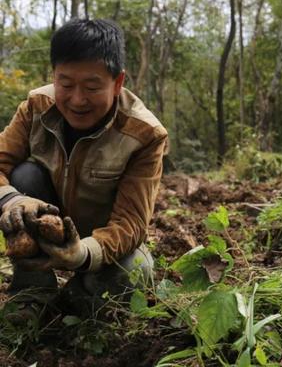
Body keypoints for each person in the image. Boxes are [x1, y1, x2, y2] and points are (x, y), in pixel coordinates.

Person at [0, 18, 168, 322]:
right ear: (54, 77)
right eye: (65, 85)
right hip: (44, 228)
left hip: (102, 244)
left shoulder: (145, 134)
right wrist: (12, 201)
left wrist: (81, 253)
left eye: (92, 87)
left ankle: (74, 299)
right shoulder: (36, 107)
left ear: (118, 83)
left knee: (135, 273)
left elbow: (131, 223)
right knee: (23, 177)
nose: (77, 100)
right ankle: (33, 292)